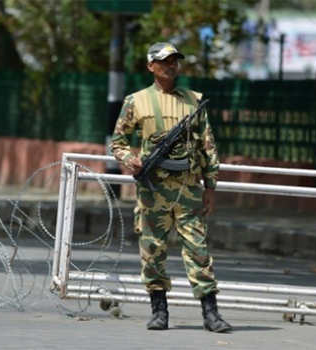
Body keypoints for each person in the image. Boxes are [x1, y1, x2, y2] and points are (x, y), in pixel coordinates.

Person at [109, 42, 231, 333]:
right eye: (164, 61)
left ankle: (211, 313)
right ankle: (159, 311)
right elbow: (118, 142)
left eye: (174, 60)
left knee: (199, 252)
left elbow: (207, 145)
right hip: (154, 191)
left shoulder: (194, 100)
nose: (170, 65)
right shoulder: (136, 101)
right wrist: (131, 160)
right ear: (151, 66)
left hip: (189, 190)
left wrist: (210, 186)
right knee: (152, 251)